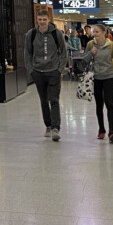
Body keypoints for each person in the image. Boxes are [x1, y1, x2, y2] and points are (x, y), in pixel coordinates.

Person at [25, 10, 69, 141]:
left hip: (53, 71)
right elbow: (27, 53)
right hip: (38, 72)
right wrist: (31, 70)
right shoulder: (31, 34)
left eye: (44, 19)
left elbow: (64, 52)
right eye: (40, 20)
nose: (42, 22)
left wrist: (60, 69)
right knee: (43, 101)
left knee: (54, 100)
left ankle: (56, 128)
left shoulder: (57, 33)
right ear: (37, 20)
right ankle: (48, 125)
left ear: (48, 20)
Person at [82, 23, 113, 143]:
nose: (94, 34)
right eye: (93, 32)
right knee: (99, 105)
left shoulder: (112, 46)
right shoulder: (90, 44)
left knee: (109, 104)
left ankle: (111, 131)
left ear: (104, 32)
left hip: (109, 77)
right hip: (95, 78)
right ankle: (101, 129)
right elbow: (84, 60)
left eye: (97, 32)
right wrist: (91, 52)